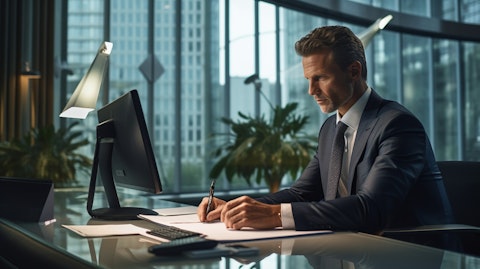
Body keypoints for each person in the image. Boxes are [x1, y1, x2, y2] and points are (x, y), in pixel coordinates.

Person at [198, 25, 454, 234]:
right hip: (354, 250)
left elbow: (372, 208)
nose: (311, 91)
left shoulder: (397, 125)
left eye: (320, 78)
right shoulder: (331, 130)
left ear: (354, 71)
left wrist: (273, 215)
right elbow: (301, 194)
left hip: (411, 254)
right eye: (308, 79)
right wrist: (235, 207)